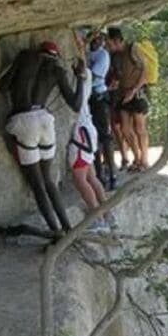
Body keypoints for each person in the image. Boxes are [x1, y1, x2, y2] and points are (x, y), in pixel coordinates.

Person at [0, 41, 83, 236]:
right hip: (45, 120)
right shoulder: (57, 70)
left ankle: (55, 231)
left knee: (37, 185)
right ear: (56, 56)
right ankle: (68, 228)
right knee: (48, 180)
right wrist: (81, 77)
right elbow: (76, 105)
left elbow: (3, 88)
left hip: (24, 120)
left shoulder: (24, 57)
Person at [67, 37, 115, 234]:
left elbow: (82, 63)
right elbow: (84, 62)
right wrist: (80, 46)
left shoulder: (82, 78)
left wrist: (80, 46)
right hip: (88, 129)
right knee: (91, 176)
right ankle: (107, 214)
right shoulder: (86, 74)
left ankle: (96, 218)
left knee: (79, 178)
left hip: (81, 133)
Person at [105, 26, 150, 171]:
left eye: (110, 43)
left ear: (117, 40)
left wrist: (134, 89)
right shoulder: (116, 56)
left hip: (138, 93)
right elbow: (119, 74)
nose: (108, 46)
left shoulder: (133, 49)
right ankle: (136, 159)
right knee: (125, 129)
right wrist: (114, 84)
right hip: (123, 94)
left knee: (139, 128)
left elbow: (145, 71)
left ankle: (144, 160)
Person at [81, 28, 117, 190]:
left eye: (99, 39)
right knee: (93, 137)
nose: (97, 42)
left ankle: (112, 174)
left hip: (99, 96)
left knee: (104, 136)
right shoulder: (89, 53)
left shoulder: (103, 55)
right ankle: (99, 174)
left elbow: (93, 76)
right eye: (94, 39)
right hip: (91, 97)